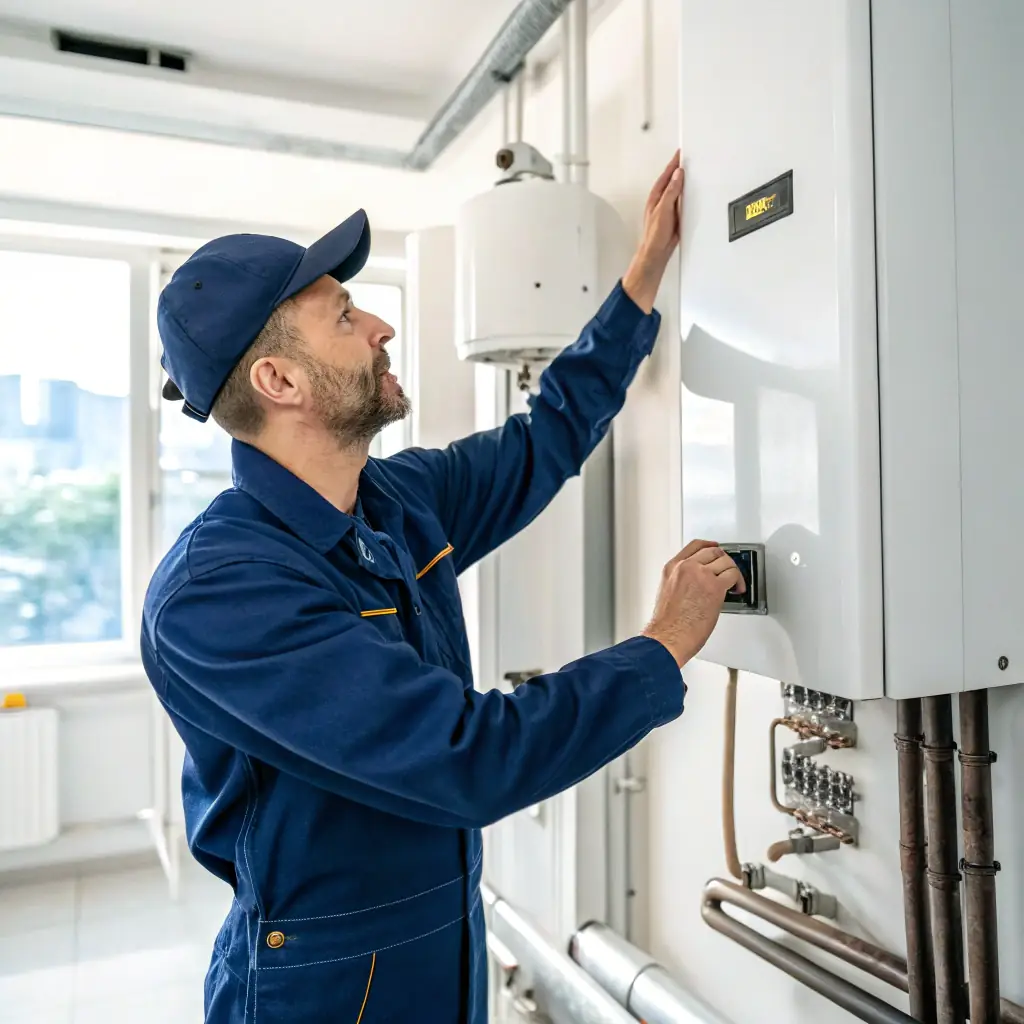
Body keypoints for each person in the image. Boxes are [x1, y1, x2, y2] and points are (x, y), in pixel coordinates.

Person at [142, 152, 743, 1024]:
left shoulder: (393, 499)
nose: (380, 324)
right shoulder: (221, 593)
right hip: (325, 982)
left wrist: (643, 275)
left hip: (444, 937)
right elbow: (470, 756)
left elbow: (546, 438)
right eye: (344, 316)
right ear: (280, 382)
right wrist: (664, 644)